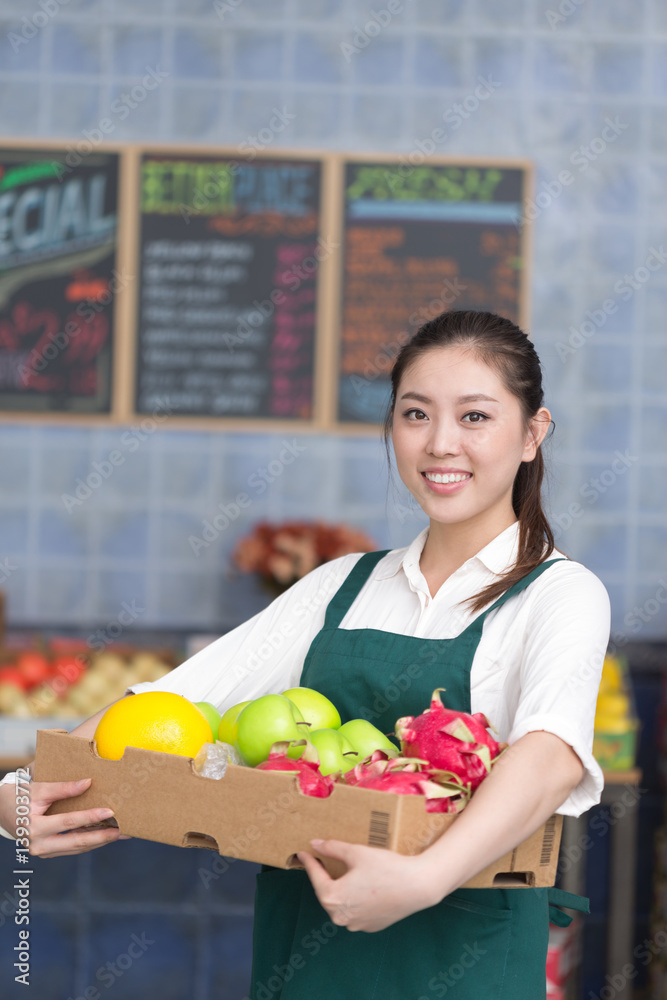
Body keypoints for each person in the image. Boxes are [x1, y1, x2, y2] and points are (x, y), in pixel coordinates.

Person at [0, 309, 610, 999]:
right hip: (308, 956)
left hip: (461, 955)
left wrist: (421, 880)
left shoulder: (561, 594)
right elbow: (167, 704)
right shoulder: (338, 586)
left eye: (474, 417)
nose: (440, 444)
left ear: (533, 433)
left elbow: (550, 756)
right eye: (415, 414)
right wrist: (18, 797)